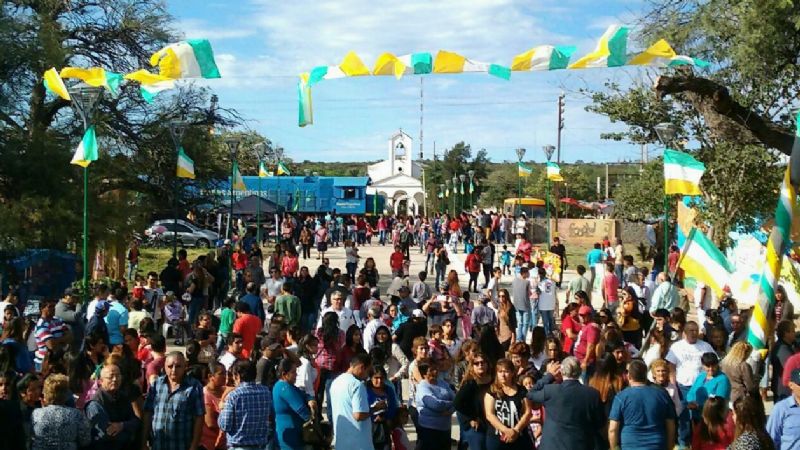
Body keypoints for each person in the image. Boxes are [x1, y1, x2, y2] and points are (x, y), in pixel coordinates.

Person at [527, 356, 605, 449]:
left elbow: (531, 393)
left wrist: (549, 376)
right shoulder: (592, 394)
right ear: (580, 371)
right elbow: (600, 423)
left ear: (561, 371)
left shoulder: (551, 391)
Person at [666, 321, 716, 449]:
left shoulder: (706, 346)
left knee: (701, 417)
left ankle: (701, 442)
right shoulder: (677, 347)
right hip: (683, 387)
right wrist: (673, 385)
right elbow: (671, 367)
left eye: (695, 330)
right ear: (685, 332)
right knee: (684, 417)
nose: (693, 333)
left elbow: (714, 364)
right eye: (690, 330)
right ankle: (683, 443)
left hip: (702, 388)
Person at [142, 352, 205, 450]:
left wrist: (194, 446)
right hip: (157, 444)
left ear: (185, 366)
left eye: (178, 366)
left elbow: (199, 418)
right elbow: (148, 413)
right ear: (165, 367)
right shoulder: (156, 385)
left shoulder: (194, 387)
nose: (174, 370)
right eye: (170, 366)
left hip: (181, 445)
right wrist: (143, 442)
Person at [608, 359, 676, 450]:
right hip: (656, 444)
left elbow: (613, 429)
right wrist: (669, 446)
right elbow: (671, 425)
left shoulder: (621, 397)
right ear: (645, 375)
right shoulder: (661, 394)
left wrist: (613, 448)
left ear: (629, 376)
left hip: (630, 445)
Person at [218, 359, 273, 449]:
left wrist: (222, 408)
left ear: (238, 376)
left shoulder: (234, 396)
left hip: (239, 445)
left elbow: (225, 425)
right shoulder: (266, 392)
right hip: (260, 445)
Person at [85, 364, 140, 450]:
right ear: (101, 381)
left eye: (118, 376)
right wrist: (129, 434)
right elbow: (106, 433)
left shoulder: (123, 397)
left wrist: (122, 425)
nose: (115, 379)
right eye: (110, 377)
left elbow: (136, 421)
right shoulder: (95, 403)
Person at [31, 373, 91, 450]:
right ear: (66, 393)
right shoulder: (76, 415)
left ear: (46, 393)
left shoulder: (36, 414)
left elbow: (32, 436)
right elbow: (85, 440)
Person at [483, 358, 533, 450]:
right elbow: (490, 415)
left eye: (506, 371)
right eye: (500, 371)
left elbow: (528, 412)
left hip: (519, 437)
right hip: (497, 438)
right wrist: (506, 430)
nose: (503, 375)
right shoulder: (492, 391)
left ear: (512, 373)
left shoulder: (522, 391)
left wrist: (516, 431)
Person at [330, 353, 374, 450]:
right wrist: (375, 409)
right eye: (369, 371)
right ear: (362, 367)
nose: (368, 376)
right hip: (358, 443)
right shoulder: (357, 385)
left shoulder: (335, 382)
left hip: (341, 441)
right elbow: (358, 415)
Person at [273, 358, 314, 450]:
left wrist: (310, 399)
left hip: (291, 432)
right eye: (293, 372)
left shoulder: (288, 386)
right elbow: (301, 409)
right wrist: (314, 424)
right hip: (290, 435)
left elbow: (304, 394)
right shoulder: (284, 388)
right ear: (284, 374)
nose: (296, 375)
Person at [455, 351, 491, 450]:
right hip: (477, 426)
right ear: (472, 366)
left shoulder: (494, 382)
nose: (480, 365)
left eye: (483, 362)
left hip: (492, 424)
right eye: (477, 363)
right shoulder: (470, 384)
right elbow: (457, 403)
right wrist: (471, 418)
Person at [415, 358, 455, 448]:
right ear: (424, 374)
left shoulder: (443, 383)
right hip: (429, 430)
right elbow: (436, 405)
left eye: (436, 369)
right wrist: (450, 403)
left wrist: (450, 411)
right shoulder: (423, 387)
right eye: (432, 370)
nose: (435, 372)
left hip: (445, 429)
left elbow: (456, 400)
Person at [365, 365, 399, 450]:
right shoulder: (365, 390)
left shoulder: (389, 390)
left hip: (384, 428)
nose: (379, 381)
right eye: (376, 378)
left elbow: (393, 407)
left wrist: (385, 417)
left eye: (382, 378)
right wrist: (373, 415)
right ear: (371, 378)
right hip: (368, 427)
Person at [34, 298, 71, 372]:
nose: (53, 309)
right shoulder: (41, 325)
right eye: (50, 307)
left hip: (59, 361)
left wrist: (57, 340)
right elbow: (51, 345)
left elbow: (70, 336)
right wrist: (63, 339)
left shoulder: (57, 320)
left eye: (54, 306)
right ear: (42, 309)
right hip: (45, 363)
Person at [200, 362, 226, 450]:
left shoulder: (225, 391)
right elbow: (210, 423)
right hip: (210, 444)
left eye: (225, 373)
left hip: (225, 443)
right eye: (221, 374)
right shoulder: (205, 394)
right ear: (210, 376)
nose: (225, 376)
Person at [771, 320, 796, 402]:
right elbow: (792, 369)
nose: (794, 333)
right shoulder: (783, 349)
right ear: (786, 333)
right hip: (784, 392)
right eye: (792, 331)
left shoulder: (784, 346)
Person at [511, 268, 531, 342]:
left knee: (520, 323)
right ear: (524, 273)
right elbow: (529, 293)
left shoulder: (514, 280)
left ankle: (519, 338)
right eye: (527, 273)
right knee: (525, 324)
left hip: (516, 304)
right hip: (525, 305)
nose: (528, 274)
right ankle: (523, 338)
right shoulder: (527, 282)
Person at [536, 267, 557, 337]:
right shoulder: (553, 282)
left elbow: (538, 293)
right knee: (551, 319)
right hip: (551, 304)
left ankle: (547, 335)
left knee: (545, 322)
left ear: (539, 274)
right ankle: (551, 333)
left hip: (543, 305)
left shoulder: (540, 283)